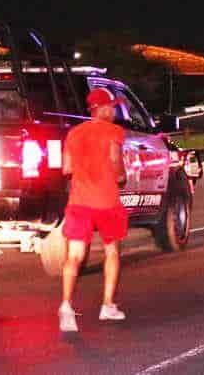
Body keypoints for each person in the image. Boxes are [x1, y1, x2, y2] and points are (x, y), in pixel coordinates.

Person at [58, 88, 129, 332]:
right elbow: (116, 163)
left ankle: (66, 306)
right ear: (103, 109)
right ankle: (107, 305)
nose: (114, 111)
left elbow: (67, 169)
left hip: (79, 203)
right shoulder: (114, 131)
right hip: (107, 203)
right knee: (112, 251)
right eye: (112, 106)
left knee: (74, 256)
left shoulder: (73, 133)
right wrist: (121, 175)